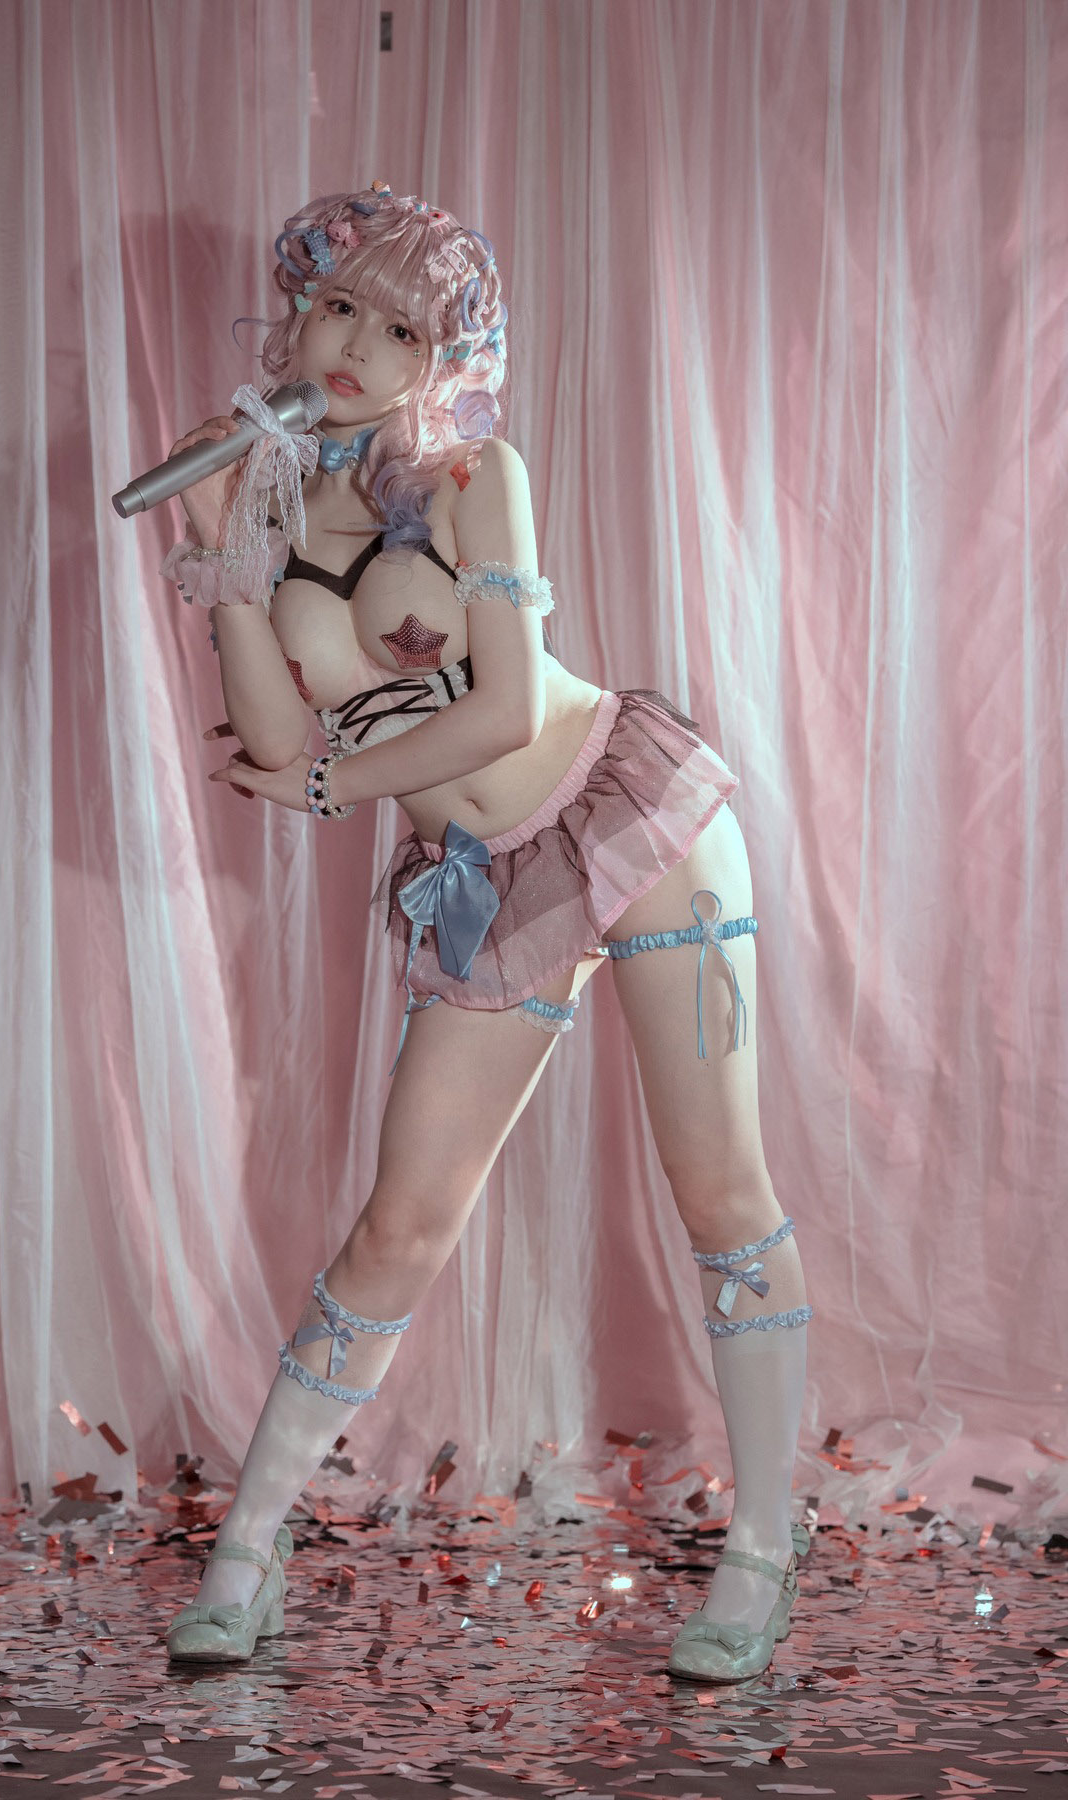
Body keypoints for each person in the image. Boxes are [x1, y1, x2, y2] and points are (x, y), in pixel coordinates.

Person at [157, 181, 812, 1683]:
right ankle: (247, 1555)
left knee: (718, 1185)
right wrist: (224, 555)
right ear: (292, 317)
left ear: (443, 356)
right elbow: (274, 736)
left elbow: (507, 710)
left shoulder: (473, 477)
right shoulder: (275, 506)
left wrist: (328, 785)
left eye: (402, 329)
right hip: (479, 875)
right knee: (403, 1221)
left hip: (628, 814)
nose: (356, 348)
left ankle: (764, 1553)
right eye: (338, 308)